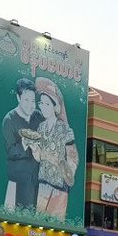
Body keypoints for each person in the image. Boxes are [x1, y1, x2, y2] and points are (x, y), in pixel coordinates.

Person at [31, 77, 78, 219]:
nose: (43, 106)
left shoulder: (65, 129)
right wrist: (33, 147)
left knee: (56, 224)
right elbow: (38, 157)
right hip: (44, 182)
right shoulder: (41, 127)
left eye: (46, 103)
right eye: (41, 103)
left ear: (54, 106)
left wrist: (67, 175)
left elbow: (73, 157)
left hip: (60, 186)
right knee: (40, 222)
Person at [1, 77, 43, 210]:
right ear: (18, 98)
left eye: (33, 101)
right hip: (19, 177)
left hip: (38, 176)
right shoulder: (9, 119)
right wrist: (25, 143)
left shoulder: (38, 116)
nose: (30, 105)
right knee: (22, 216)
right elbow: (11, 150)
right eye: (26, 100)